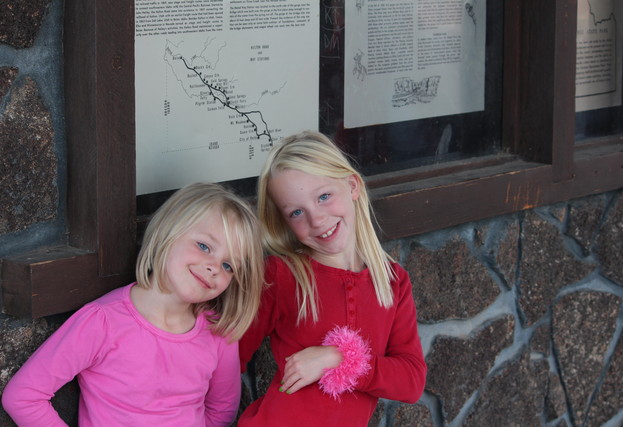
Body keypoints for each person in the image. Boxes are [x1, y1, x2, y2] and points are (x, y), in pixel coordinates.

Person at [2, 182, 264, 426]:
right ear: (167, 233)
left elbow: (222, 411)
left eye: (229, 265)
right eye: (204, 246)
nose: (214, 267)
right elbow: (23, 396)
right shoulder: (102, 322)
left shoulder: (219, 333)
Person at [239, 131, 426, 426]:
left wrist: (338, 360)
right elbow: (227, 356)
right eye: (297, 212)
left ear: (352, 185)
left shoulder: (392, 282)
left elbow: (411, 381)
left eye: (324, 196)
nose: (317, 220)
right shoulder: (282, 275)